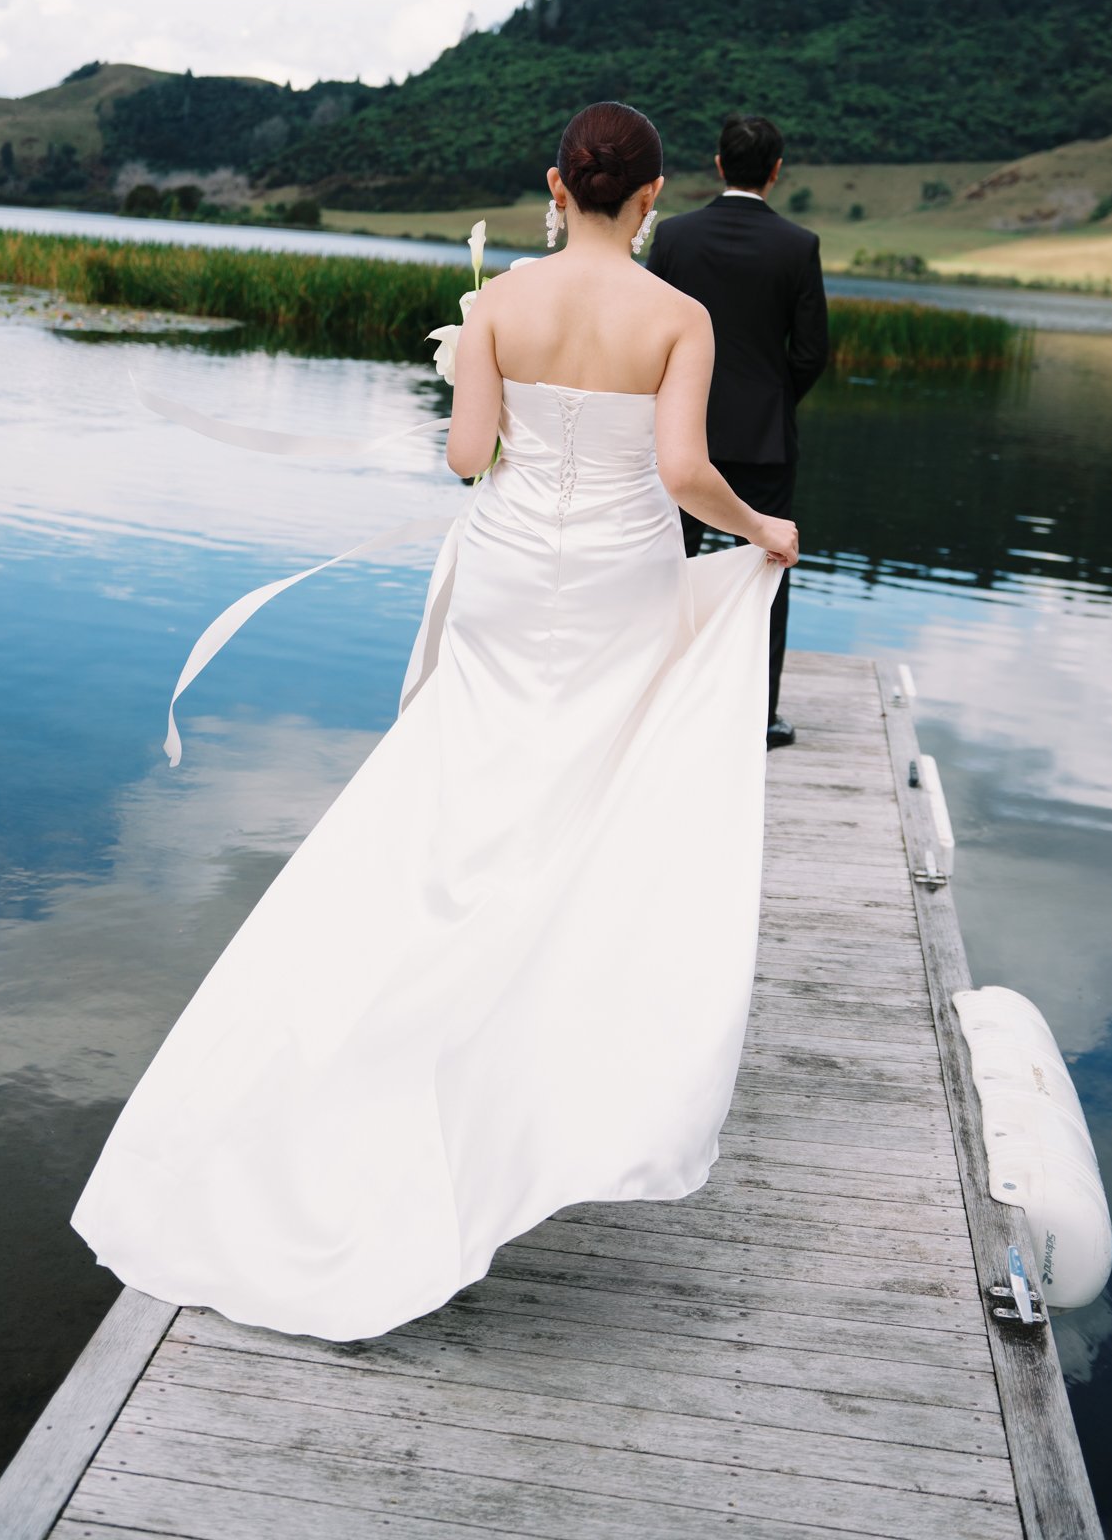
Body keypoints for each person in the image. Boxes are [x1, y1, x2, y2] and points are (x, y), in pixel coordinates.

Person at [71, 102, 798, 1343]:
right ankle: (524, 1034)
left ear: (555, 185)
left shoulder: (500, 303)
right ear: (652, 195)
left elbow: (467, 458)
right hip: (618, 578)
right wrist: (762, 528)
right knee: (583, 800)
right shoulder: (680, 317)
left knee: (464, 791)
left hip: (510, 574)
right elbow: (683, 474)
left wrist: (497, 404)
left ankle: (406, 1016)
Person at [647, 113, 828, 748]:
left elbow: (647, 332)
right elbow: (811, 353)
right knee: (767, 569)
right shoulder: (799, 245)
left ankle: (656, 697)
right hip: (764, 441)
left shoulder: (675, 236)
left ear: (719, 163)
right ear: (776, 171)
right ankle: (759, 715)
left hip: (677, 434)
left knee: (667, 566)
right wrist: (772, 402)